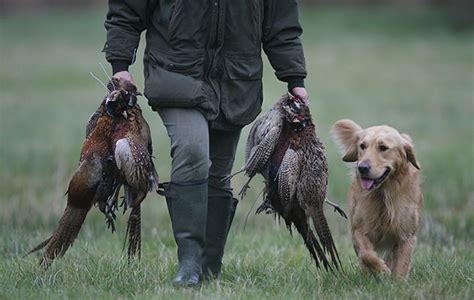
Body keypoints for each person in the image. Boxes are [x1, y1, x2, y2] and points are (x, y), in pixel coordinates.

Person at [104, 0, 308, 287]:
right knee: (193, 149)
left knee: (218, 174)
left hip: (236, 80)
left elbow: (281, 25)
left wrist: (294, 79)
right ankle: (188, 263)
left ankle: (209, 268)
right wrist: (120, 64)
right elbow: (127, 10)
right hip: (174, 72)